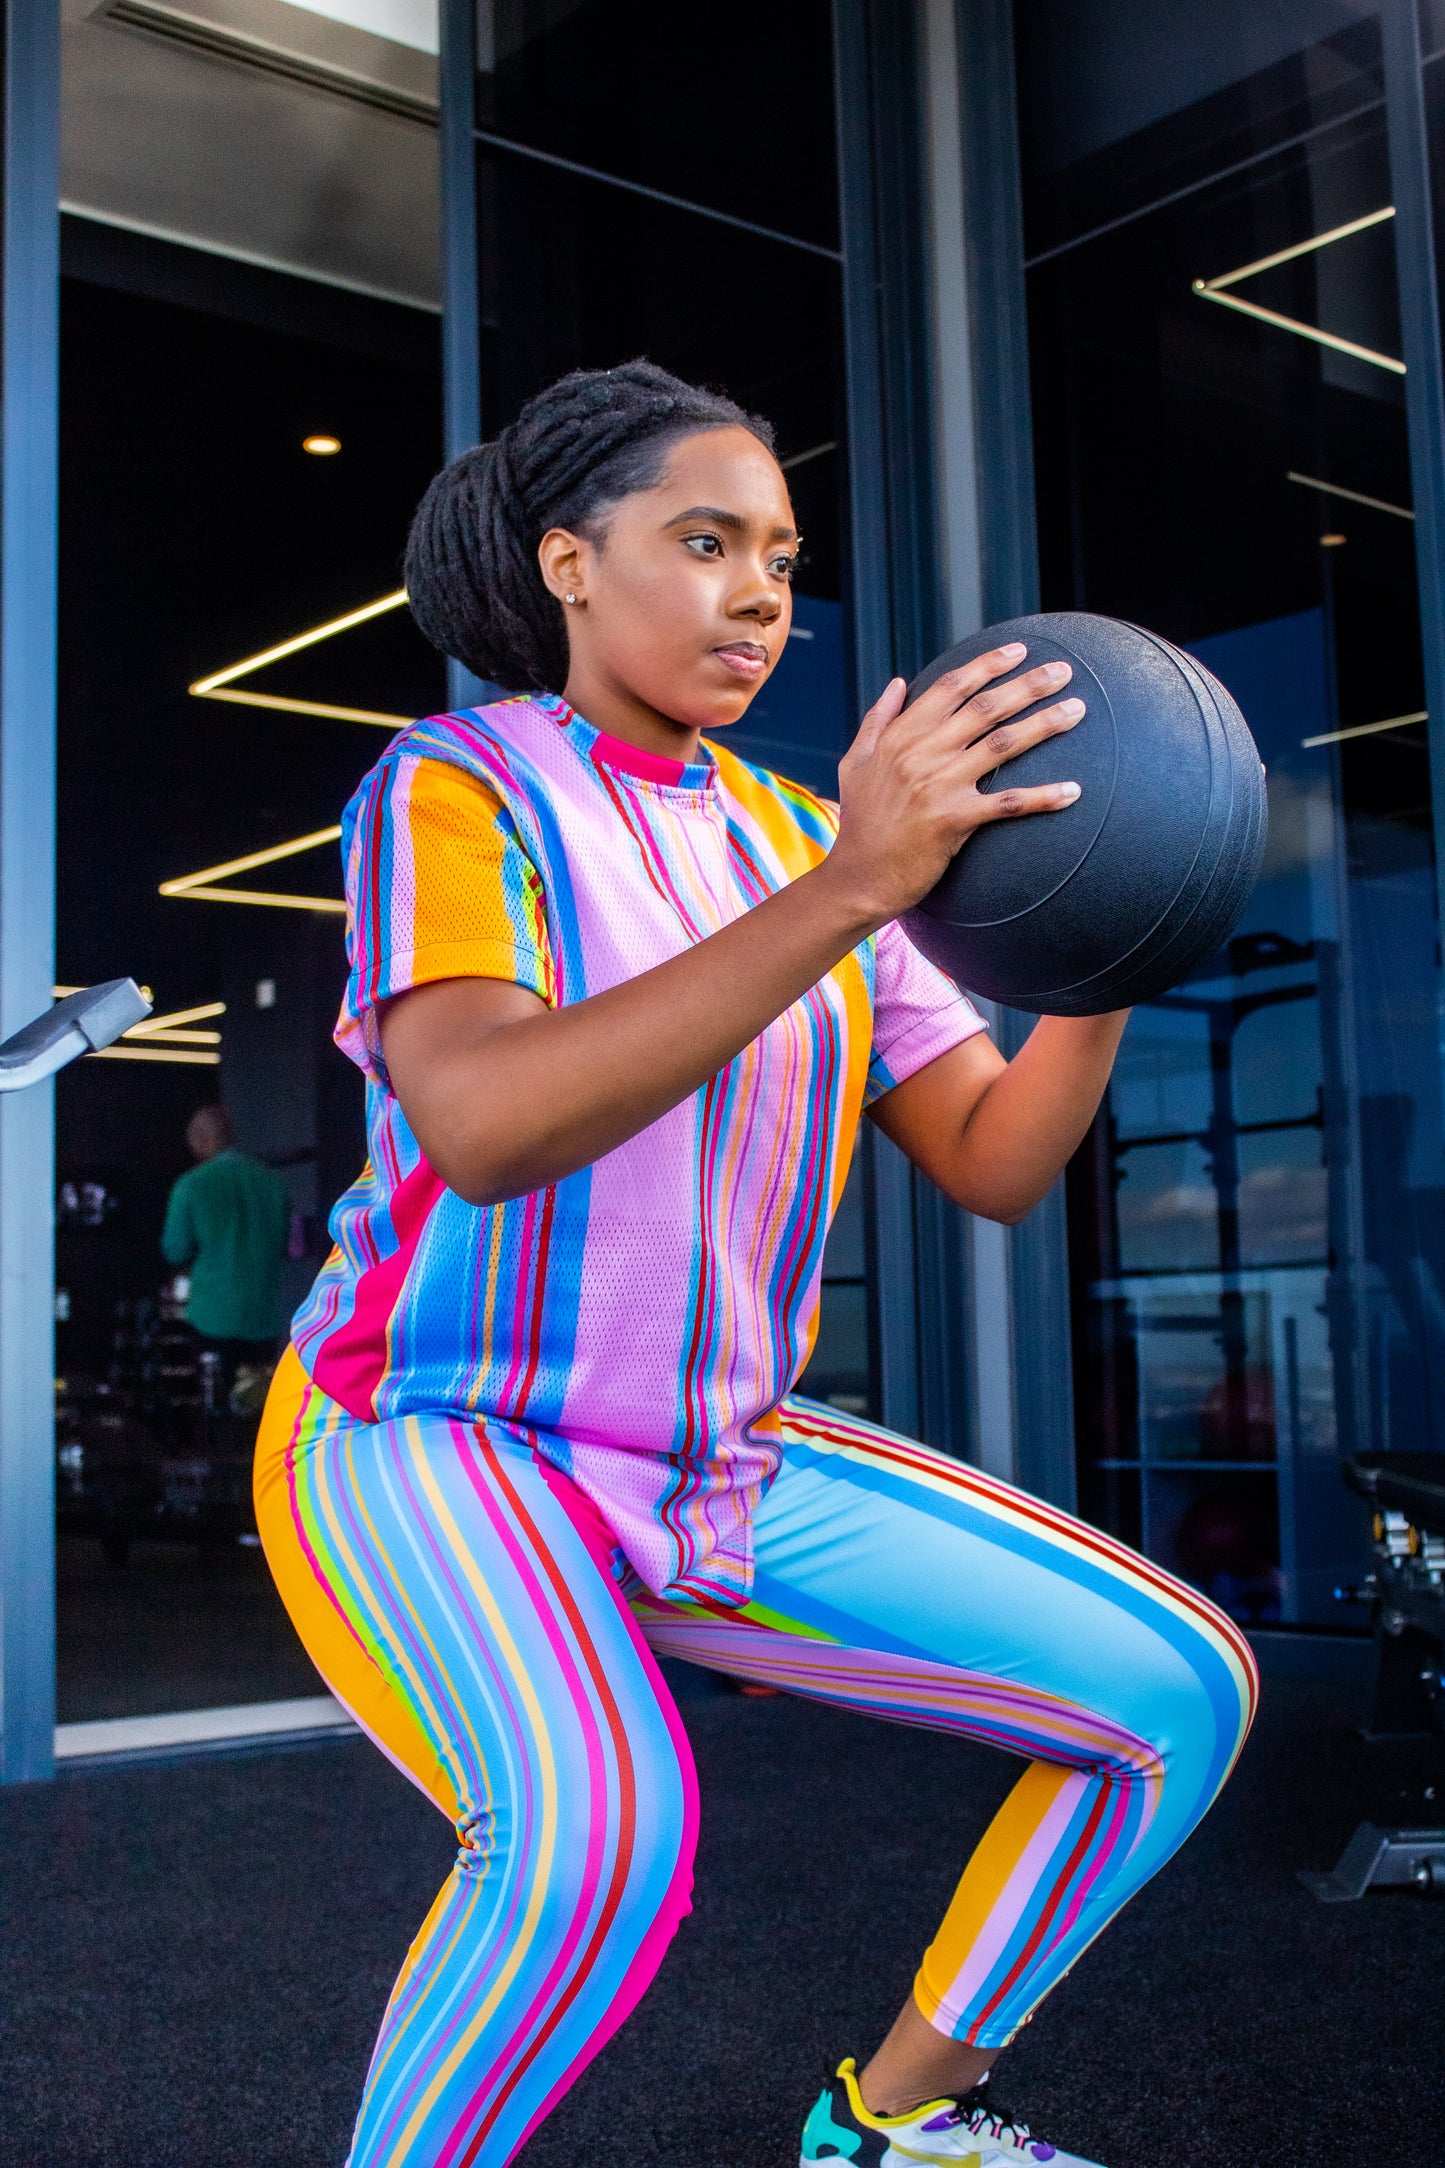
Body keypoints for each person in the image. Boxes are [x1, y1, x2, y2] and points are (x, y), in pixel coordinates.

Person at [254, 362, 1256, 2168]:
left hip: (712, 1454)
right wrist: (858, 889)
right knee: (593, 1845)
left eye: (782, 559)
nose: (760, 597)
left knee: (1172, 1692)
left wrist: (1109, 936)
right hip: (432, 1430)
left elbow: (994, 1157)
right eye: (705, 542)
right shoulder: (459, 787)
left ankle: (894, 2120)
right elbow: (485, 1119)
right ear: (569, 562)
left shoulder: (805, 841)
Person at [162, 1105, 290, 1400]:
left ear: (199, 1140)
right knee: (255, 1403)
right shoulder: (272, 1183)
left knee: (213, 1402)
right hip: (263, 1316)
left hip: (211, 1317)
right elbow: (283, 1244)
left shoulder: (190, 1185)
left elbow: (174, 1250)